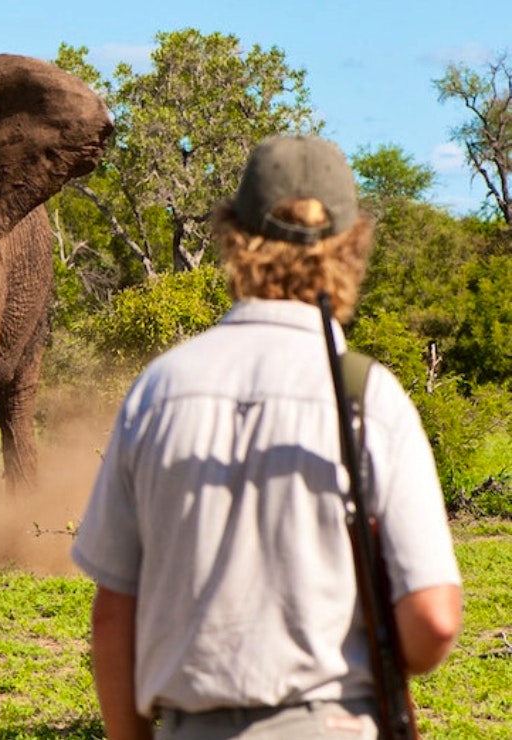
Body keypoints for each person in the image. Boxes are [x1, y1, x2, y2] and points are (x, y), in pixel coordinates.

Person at [70, 135, 463, 739]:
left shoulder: (160, 389)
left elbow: (112, 619)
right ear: (353, 246)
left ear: (232, 236)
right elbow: (433, 622)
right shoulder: (369, 397)